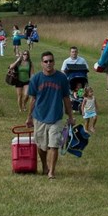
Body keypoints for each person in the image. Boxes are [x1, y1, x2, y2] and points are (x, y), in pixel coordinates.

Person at [26, 51, 73, 179]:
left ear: (54, 62)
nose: (48, 63)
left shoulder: (61, 78)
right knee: (41, 146)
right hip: (40, 116)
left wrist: (70, 116)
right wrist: (29, 117)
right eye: (46, 61)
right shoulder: (36, 78)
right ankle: (44, 166)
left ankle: (51, 172)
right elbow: (33, 99)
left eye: (51, 61)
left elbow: (66, 98)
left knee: (54, 145)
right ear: (42, 63)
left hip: (56, 117)